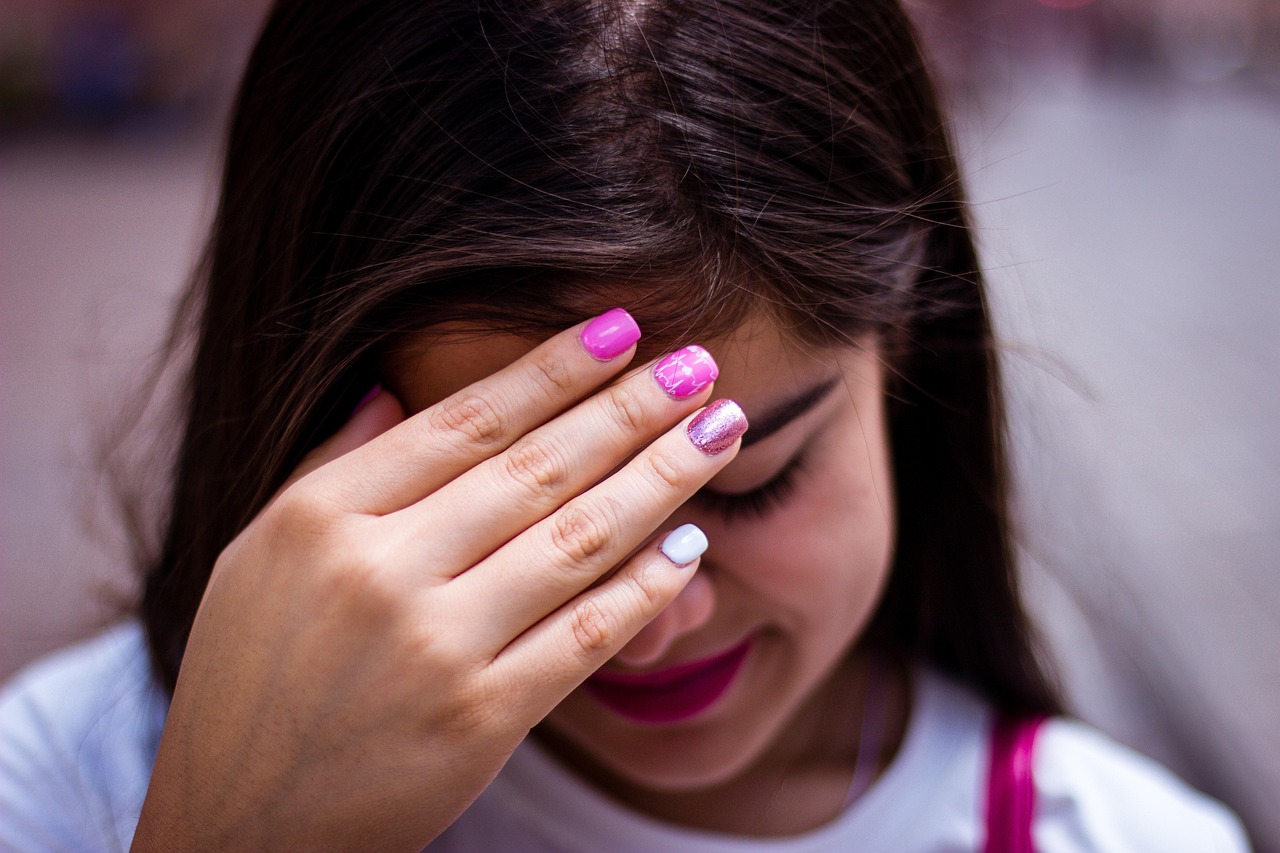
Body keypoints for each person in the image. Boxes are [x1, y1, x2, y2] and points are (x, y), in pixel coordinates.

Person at [0, 0, 1252, 849]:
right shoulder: (77, 781)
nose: (652, 620)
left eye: (754, 479)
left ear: (908, 346)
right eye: (520, 506)